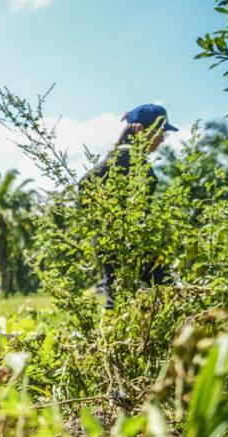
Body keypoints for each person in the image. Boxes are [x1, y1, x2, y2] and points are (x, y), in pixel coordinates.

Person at [83, 103, 178, 308]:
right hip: (126, 241)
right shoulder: (126, 157)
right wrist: (112, 221)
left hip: (123, 240)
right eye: (160, 132)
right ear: (143, 130)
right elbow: (85, 185)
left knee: (120, 294)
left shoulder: (128, 155)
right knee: (164, 289)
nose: (162, 139)